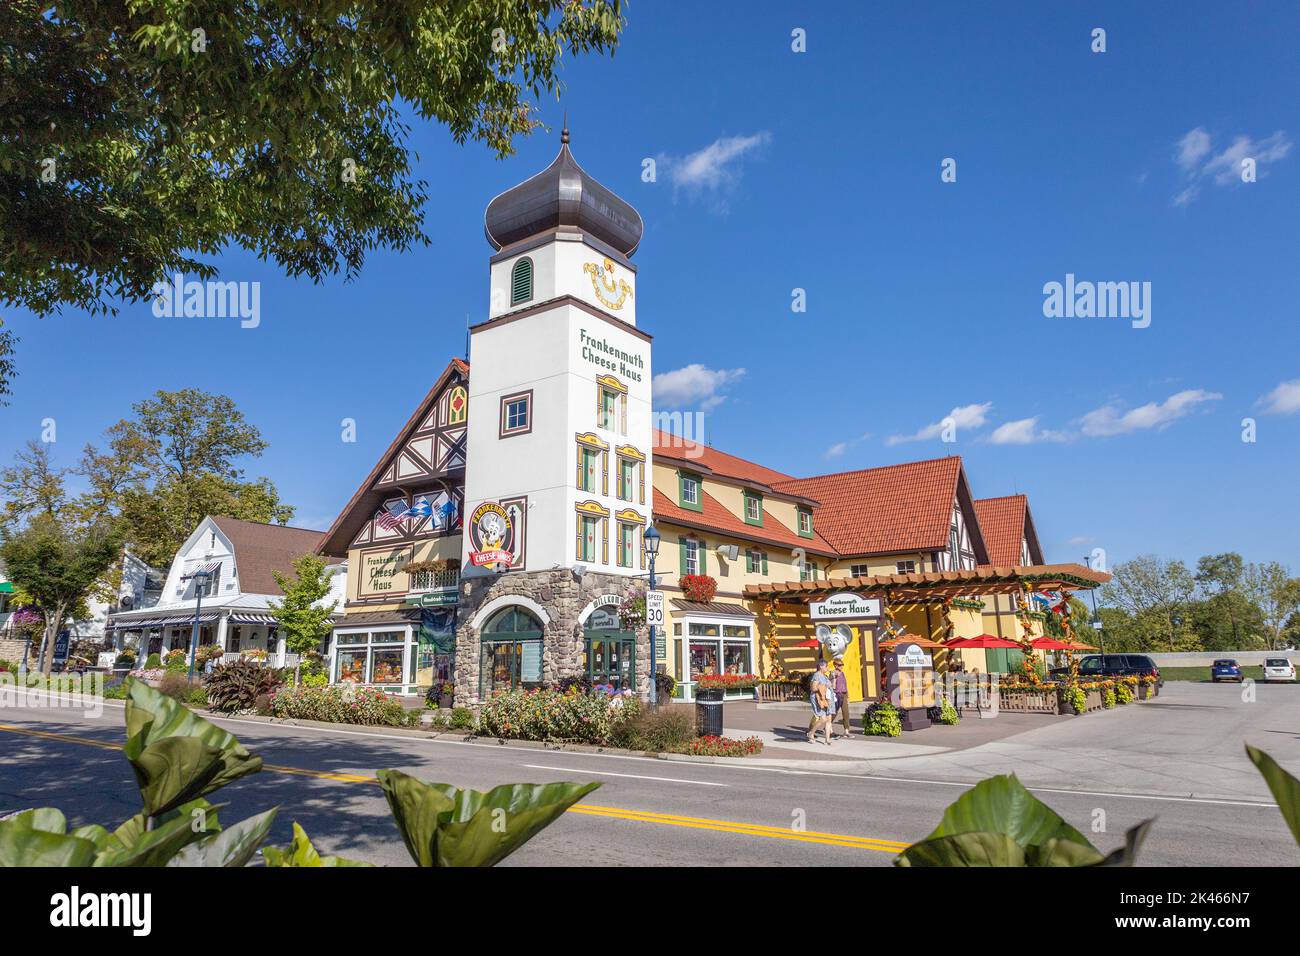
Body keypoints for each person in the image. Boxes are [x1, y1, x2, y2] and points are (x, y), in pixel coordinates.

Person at [806, 659, 835, 745]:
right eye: (826, 666)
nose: (827, 668)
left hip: (827, 700)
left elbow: (833, 686)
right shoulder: (817, 675)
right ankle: (811, 733)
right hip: (819, 699)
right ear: (821, 666)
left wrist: (833, 677)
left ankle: (827, 739)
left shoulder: (825, 676)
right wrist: (826, 685)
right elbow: (814, 688)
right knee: (823, 719)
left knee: (828, 719)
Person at [831, 657, 851, 738]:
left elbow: (845, 684)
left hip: (844, 694)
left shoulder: (842, 673)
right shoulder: (832, 673)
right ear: (835, 665)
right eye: (840, 665)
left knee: (846, 713)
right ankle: (828, 727)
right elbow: (832, 686)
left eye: (842, 665)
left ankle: (846, 731)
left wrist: (848, 696)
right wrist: (835, 677)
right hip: (837, 695)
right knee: (834, 713)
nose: (841, 666)